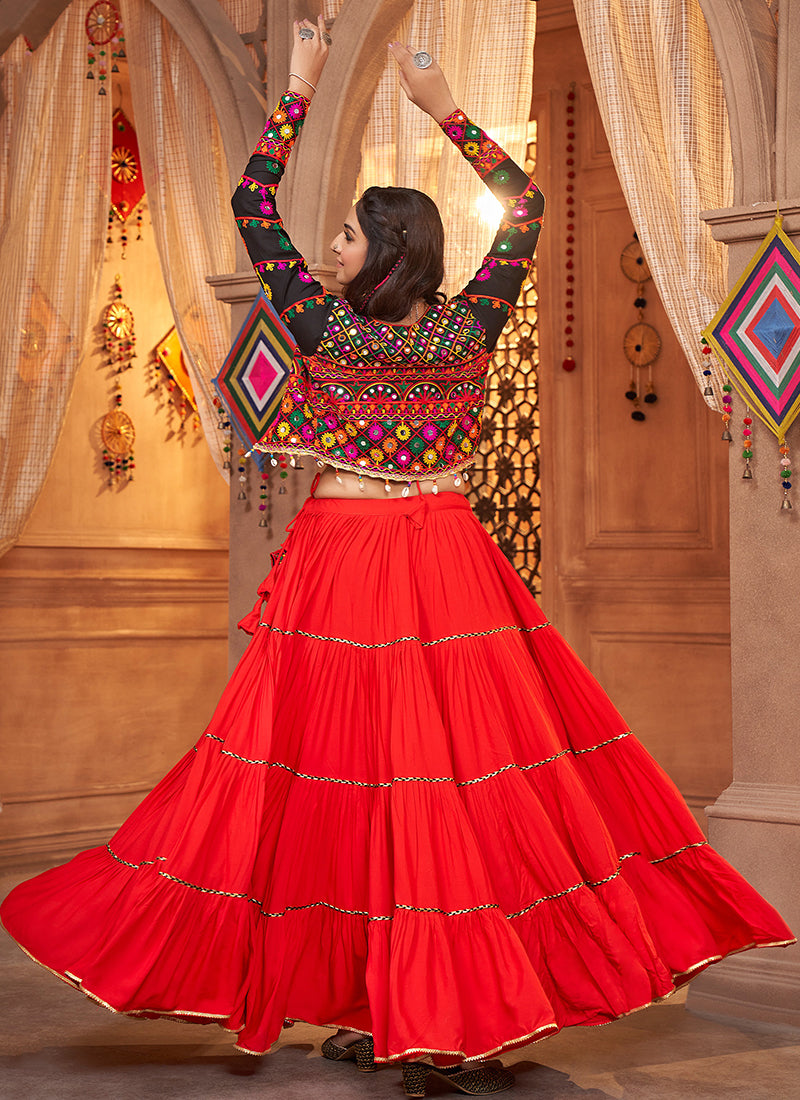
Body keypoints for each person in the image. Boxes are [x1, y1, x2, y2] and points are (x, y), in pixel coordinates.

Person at [1, 17, 794, 1100]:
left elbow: (248, 203)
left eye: (344, 236)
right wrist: (441, 109)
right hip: (440, 552)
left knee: (368, 783)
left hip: (352, 554)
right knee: (424, 784)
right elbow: (525, 202)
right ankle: (404, 1009)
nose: (328, 247)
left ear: (384, 249)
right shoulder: (467, 324)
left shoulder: (325, 328)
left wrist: (301, 84)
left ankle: (424, 1014)